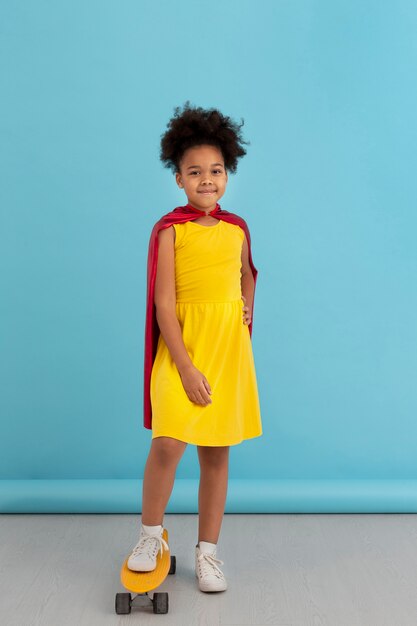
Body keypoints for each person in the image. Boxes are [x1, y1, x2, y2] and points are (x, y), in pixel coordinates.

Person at [127, 102, 263, 593]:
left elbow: (247, 275)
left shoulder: (237, 229)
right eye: (195, 172)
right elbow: (164, 306)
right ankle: (150, 537)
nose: (207, 180)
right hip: (183, 350)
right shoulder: (171, 230)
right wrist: (183, 367)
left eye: (216, 170)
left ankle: (208, 553)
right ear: (179, 179)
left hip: (226, 352)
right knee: (167, 443)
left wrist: (245, 307)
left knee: (215, 452)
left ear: (227, 173)